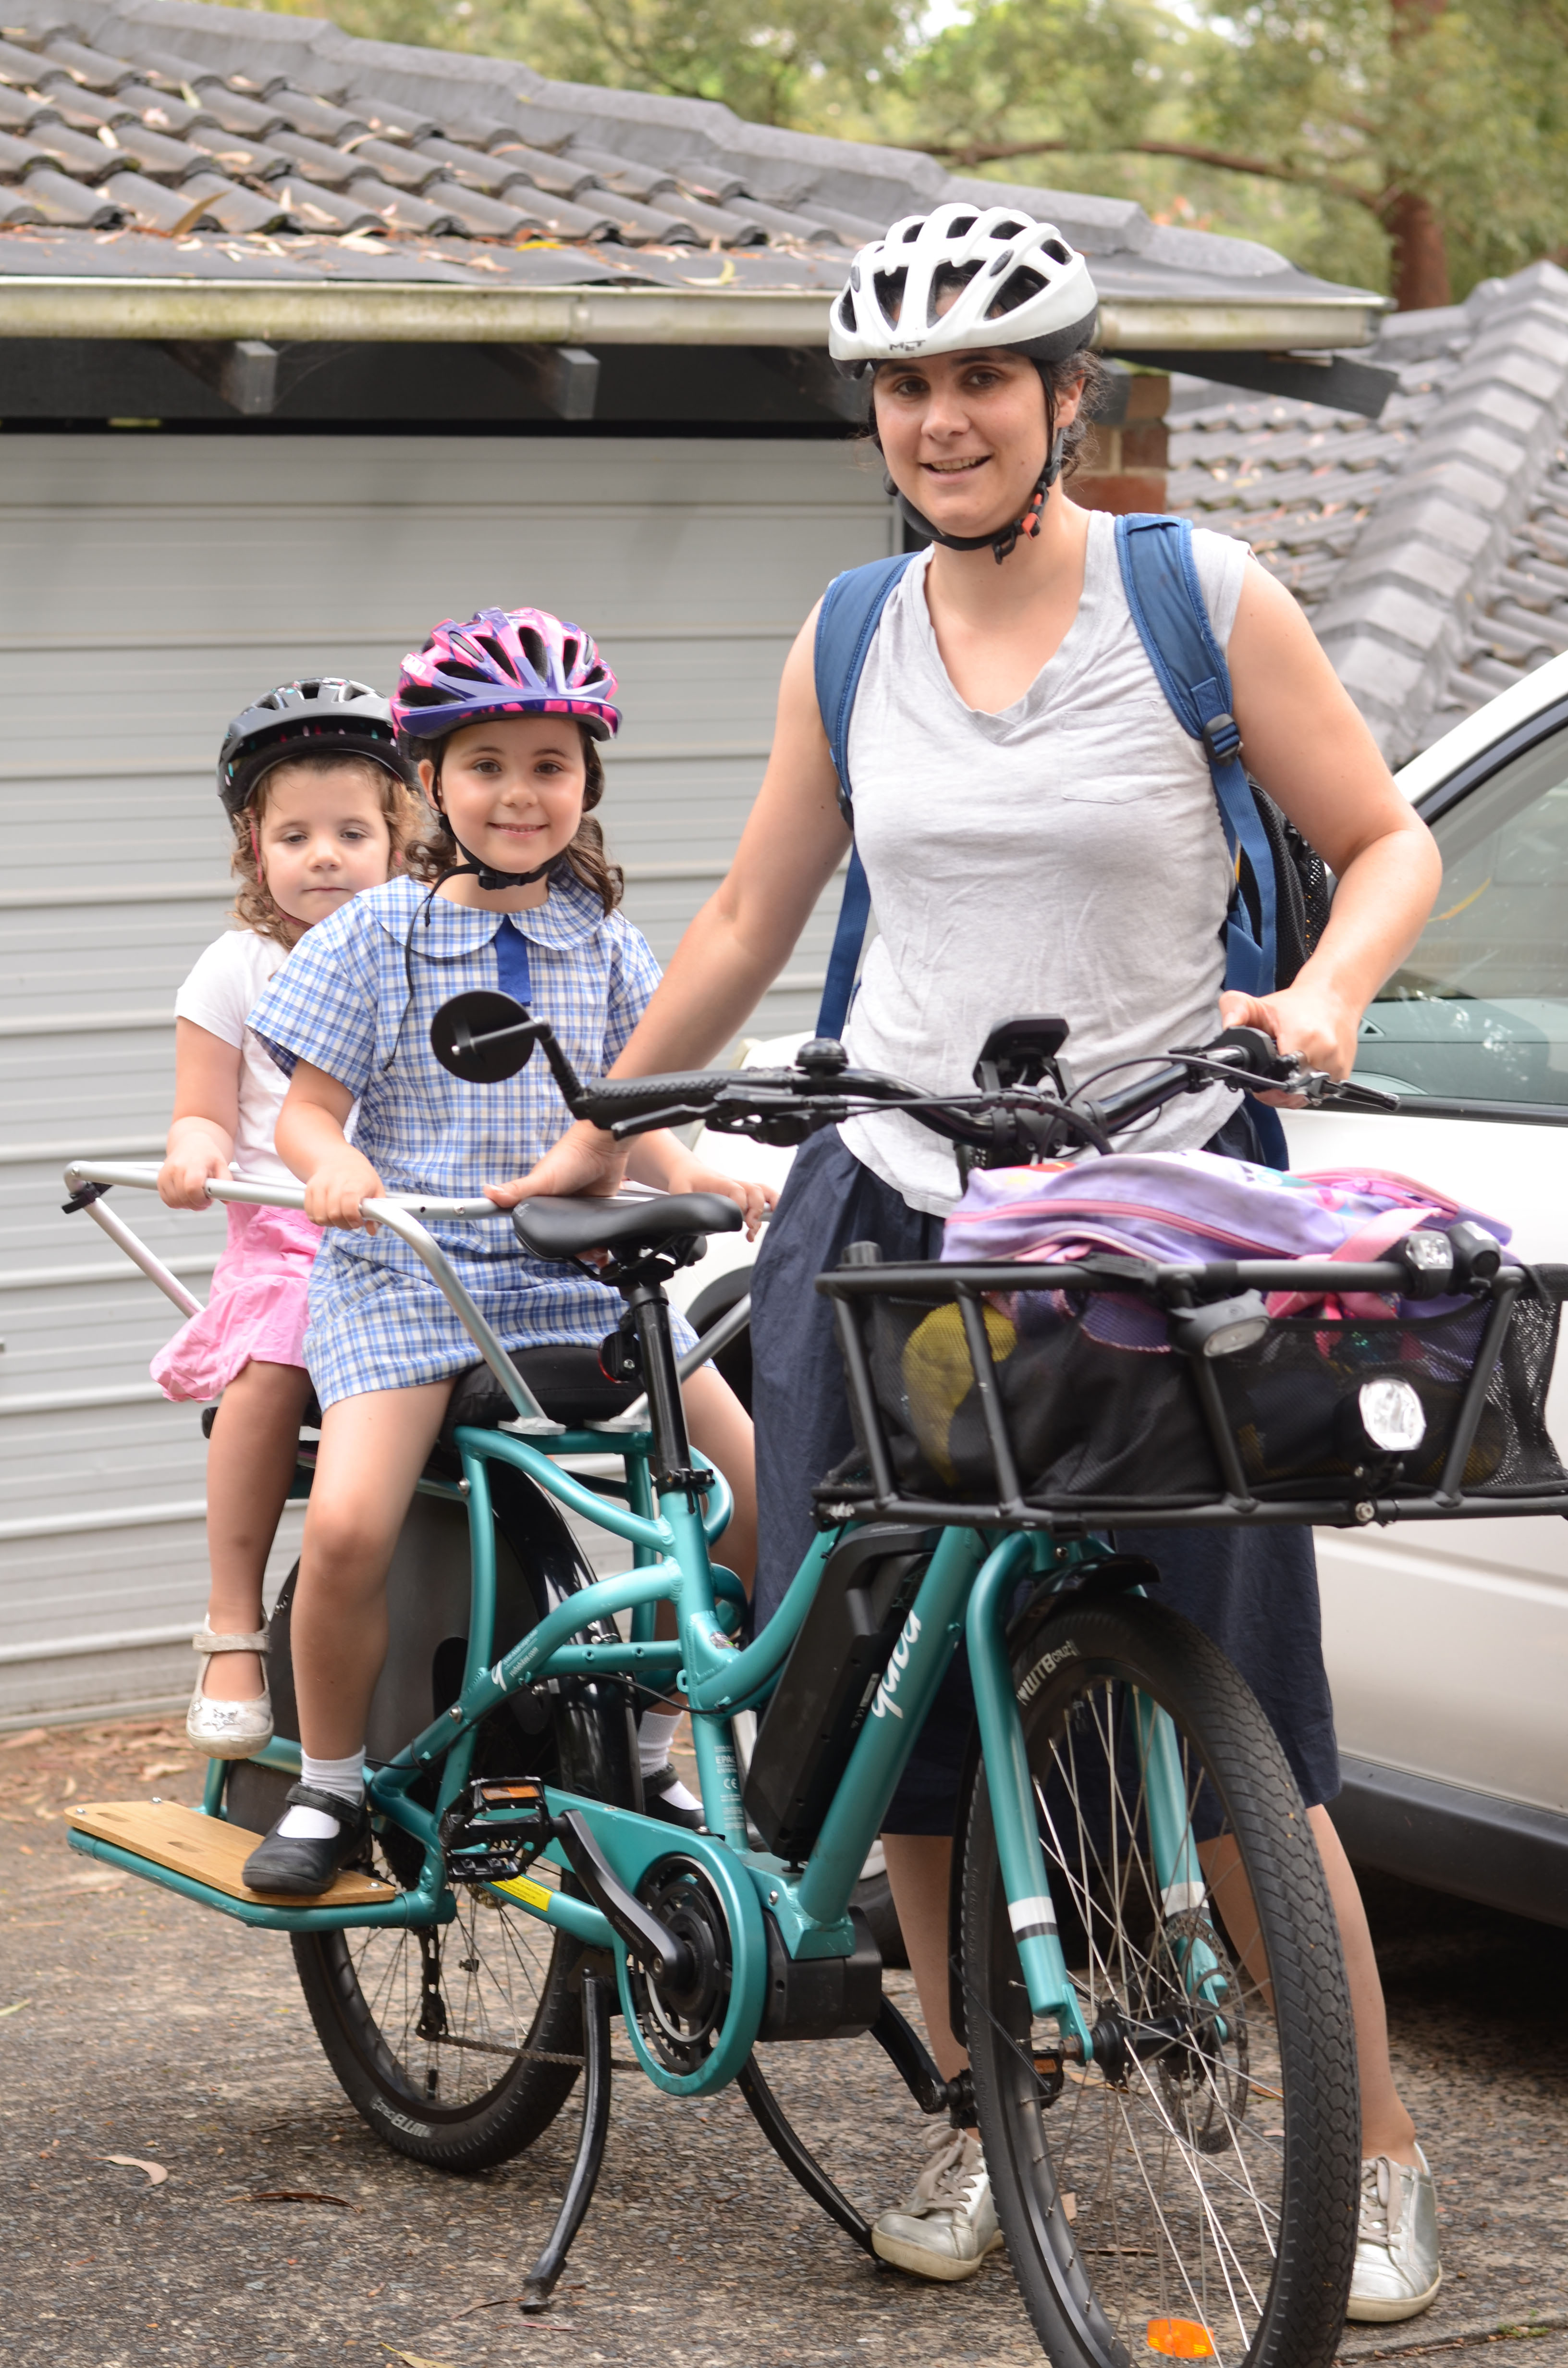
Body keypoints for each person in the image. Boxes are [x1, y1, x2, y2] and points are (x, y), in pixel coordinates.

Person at [509, 208, 1446, 2320]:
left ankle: (1378, 2154)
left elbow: (1388, 838)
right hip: (900, 1207)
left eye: (981, 382)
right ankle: (975, 2097)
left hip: (1164, 1198)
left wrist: (1326, 997)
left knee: (1248, 1727)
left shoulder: (1194, 592)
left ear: (1062, 401)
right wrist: (586, 1134)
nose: (940, 417)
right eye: (906, 388)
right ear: (881, 418)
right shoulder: (851, 630)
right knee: (889, 1704)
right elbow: (755, 915)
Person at [236, 607, 772, 1897]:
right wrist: (334, 1165)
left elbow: (632, 1121)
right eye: (486, 764)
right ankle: (329, 1784)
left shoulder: (608, 943)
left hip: (566, 1271)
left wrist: (702, 1176)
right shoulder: (378, 934)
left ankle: (648, 1747)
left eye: (550, 764)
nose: (520, 793)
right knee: (356, 1524)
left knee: (748, 1489)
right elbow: (308, 1111)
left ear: (589, 781)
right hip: (409, 1270)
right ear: (431, 782)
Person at [154, 680, 424, 1758]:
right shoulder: (236, 966)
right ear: (252, 846)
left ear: (399, 838)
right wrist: (196, 1151)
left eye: (353, 832)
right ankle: (231, 1624)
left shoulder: (426, 944)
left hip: (410, 1235)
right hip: (285, 1237)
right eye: (297, 834)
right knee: (268, 1371)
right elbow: (199, 1109)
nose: (325, 856)